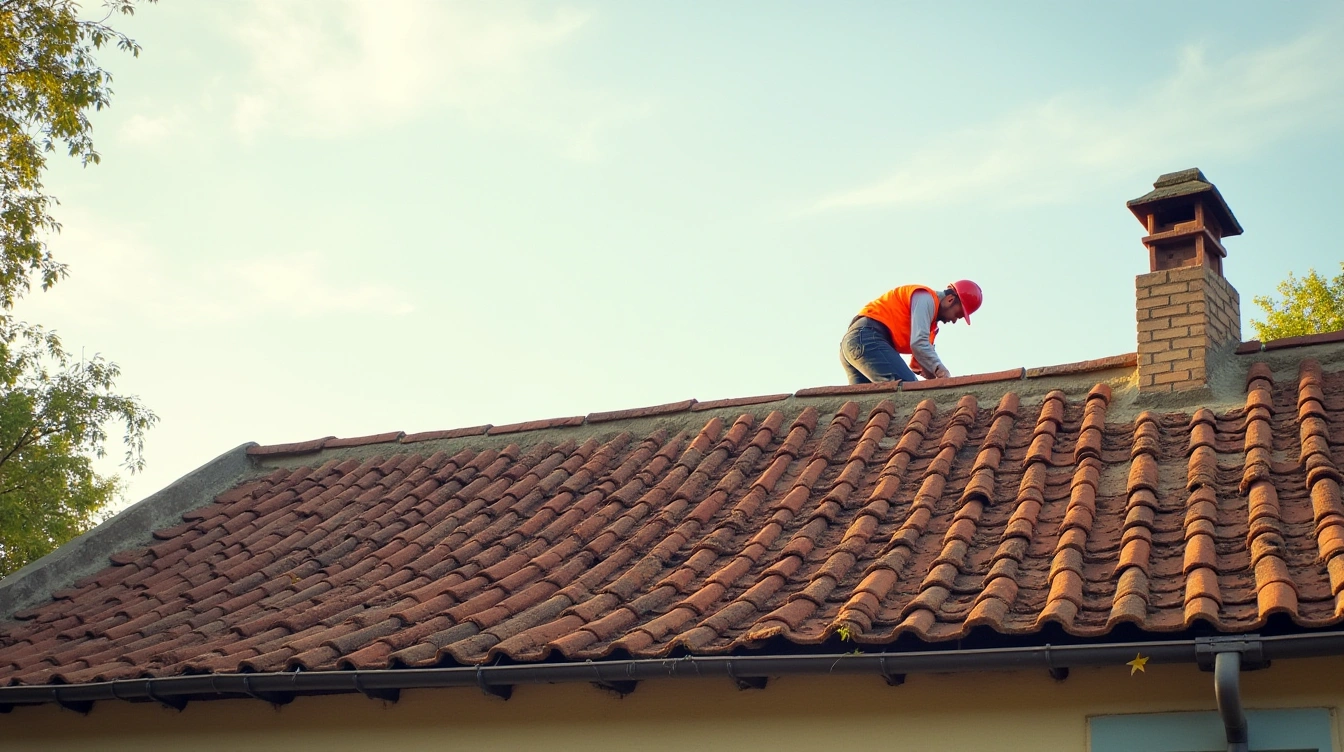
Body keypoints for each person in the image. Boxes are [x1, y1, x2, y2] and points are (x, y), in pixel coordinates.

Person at [840, 280, 982, 385]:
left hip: (855, 345)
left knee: (865, 405)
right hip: (867, 339)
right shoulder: (926, 298)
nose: (955, 320)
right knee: (908, 390)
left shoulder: (930, 326)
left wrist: (936, 377)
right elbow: (919, 344)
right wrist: (943, 371)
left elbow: (921, 363)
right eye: (958, 314)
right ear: (950, 300)